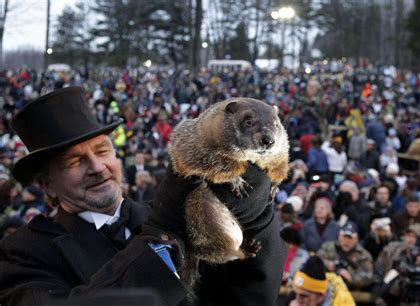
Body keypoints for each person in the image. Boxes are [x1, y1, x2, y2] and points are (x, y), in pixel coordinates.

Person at [0, 87, 286, 306]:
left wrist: (256, 220)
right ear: (48, 185)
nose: (97, 168)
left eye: (102, 151)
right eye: (74, 162)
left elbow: (250, 296)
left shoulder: (163, 211)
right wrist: (163, 235)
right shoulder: (22, 253)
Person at [318, 221, 374, 290]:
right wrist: (329, 265)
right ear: (339, 236)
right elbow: (317, 261)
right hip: (326, 285)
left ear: (357, 238)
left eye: (350, 238)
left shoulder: (363, 255)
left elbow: (368, 277)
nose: (346, 241)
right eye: (344, 237)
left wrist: (350, 277)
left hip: (351, 289)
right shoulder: (328, 247)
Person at [288, 256, 355, 306]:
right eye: (295, 292)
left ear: (321, 295)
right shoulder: (297, 296)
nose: (297, 300)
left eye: (303, 296)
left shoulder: (344, 302)